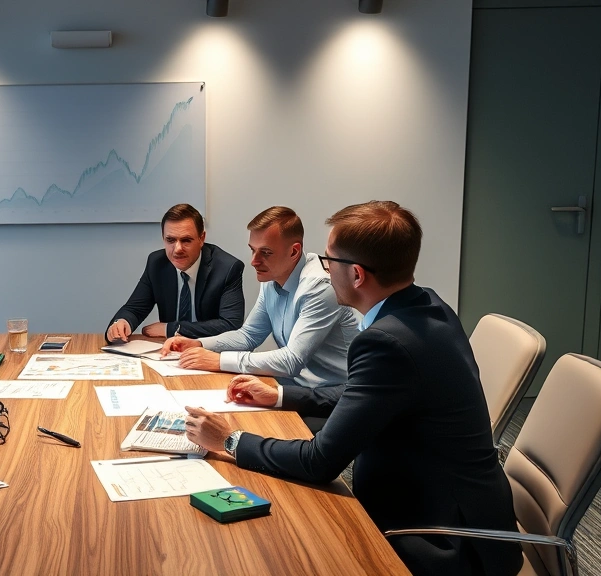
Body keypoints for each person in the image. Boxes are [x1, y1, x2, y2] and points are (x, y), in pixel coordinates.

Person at [183, 202, 522, 576]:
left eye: (330, 262)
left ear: (357, 275)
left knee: (276, 549)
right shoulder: (427, 306)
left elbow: (319, 462)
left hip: (440, 539)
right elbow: (359, 394)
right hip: (455, 508)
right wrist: (279, 395)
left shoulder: (387, 341)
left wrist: (229, 440)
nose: (325, 271)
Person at [160, 207, 358, 404]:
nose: (254, 261)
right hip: (295, 387)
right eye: (252, 250)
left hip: (333, 398)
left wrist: (218, 361)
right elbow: (248, 336)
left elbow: (291, 361)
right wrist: (199, 343)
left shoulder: (319, 287)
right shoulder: (271, 278)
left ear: (294, 251)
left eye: (266, 252)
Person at [106, 203, 245, 342]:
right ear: (163, 239)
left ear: (201, 239)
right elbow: (134, 309)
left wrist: (171, 329)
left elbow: (231, 325)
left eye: (186, 240)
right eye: (170, 240)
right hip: (169, 355)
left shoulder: (227, 268)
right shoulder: (156, 264)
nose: (177, 249)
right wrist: (122, 322)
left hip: (210, 353)